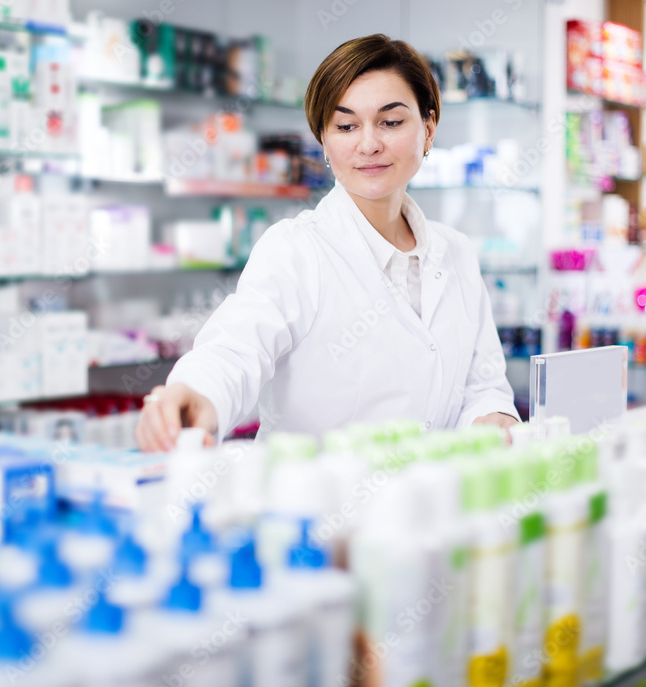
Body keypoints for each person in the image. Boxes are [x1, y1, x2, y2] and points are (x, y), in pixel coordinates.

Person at [136, 34, 520, 452]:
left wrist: (492, 417)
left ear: (428, 129)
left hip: (434, 507)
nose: (368, 143)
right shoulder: (296, 250)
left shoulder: (457, 253)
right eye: (346, 126)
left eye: (390, 122)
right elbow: (235, 350)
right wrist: (197, 395)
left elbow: (484, 385)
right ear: (323, 140)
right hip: (319, 510)